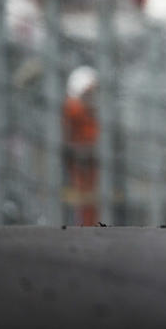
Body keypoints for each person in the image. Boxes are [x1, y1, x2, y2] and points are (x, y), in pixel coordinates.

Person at [64, 66, 99, 226]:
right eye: (89, 92)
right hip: (76, 168)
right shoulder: (73, 109)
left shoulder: (93, 112)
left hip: (92, 168)